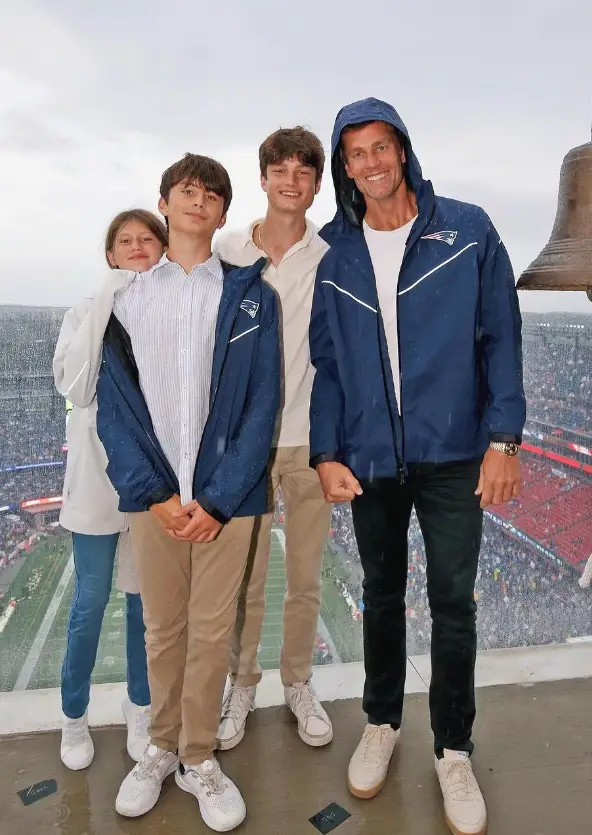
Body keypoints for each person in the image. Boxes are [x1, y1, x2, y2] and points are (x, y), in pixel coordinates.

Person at [309, 98, 525, 835]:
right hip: (371, 454)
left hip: (455, 451)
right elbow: (329, 364)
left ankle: (454, 747)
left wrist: (505, 438)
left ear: (401, 151)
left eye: (380, 147)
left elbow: (502, 334)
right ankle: (381, 721)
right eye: (355, 153)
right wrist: (326, 450)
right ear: (345, 166)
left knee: (454, 602)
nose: (369, 162)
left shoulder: (466, 229)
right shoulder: (335, 252)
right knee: (379, 592)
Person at [95, 153, 280, 833]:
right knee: (162, 628)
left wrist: (222, 498)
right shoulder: (125, 298)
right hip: (155, 498)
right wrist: (151, 493)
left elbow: (264, 403)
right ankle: (161, 747)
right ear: (165, 202)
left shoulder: (254, 294)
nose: (198, 200)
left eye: (211, 194)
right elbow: (113, 405)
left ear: (224, 212)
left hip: (224, 500)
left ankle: (198, 754)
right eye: (186, 190)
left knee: (210, 631)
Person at [215, 127, 333, 751]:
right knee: (247, 581)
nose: (291, 181)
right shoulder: (227, 248)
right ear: (262, 178)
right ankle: (241, 684)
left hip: (311, 440)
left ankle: (297, 682)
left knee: (307, 577)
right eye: (280, 169)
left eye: (303, 171)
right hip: (247, 443)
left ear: (316, 184)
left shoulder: (331, 252)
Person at [53, 209, 168, 770]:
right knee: (90, 602)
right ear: (109, 254)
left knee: (144, 605)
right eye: (125, 240)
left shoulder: (171, 311)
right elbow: (74, 382)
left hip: (150, 480)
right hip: (97, 484)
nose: (137, 246)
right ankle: (73, 717)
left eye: (148, 238)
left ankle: (140, 707)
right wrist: (107, 299)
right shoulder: (82, 311)